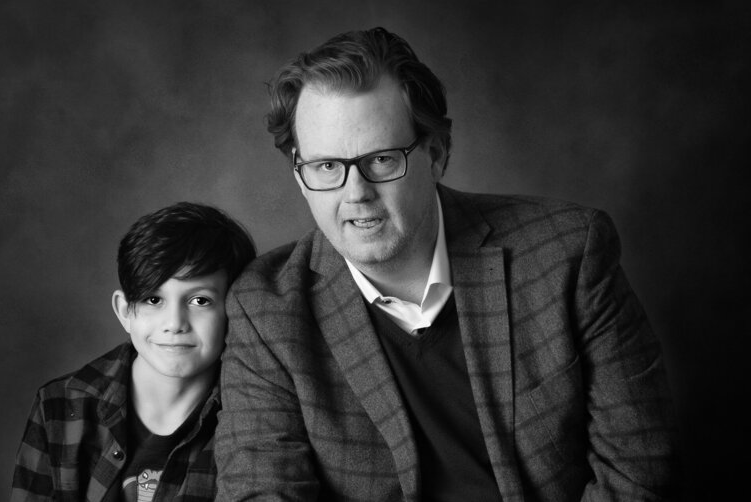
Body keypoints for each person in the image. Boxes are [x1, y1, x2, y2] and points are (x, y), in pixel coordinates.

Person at [216, 27, 677, 501]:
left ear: (435, 154)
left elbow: (638, 469)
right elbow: (259, 490)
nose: (356, 194)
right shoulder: (266, 309)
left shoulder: (568, 255)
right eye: (327, 166)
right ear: (300, 172)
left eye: (381, 159)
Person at [11, 202, 255, 501]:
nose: (175, 324)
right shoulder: (61, 406)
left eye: (200, 301)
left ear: (234, 310)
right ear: (124, 311)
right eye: (153, 300)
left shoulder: (254, 414)